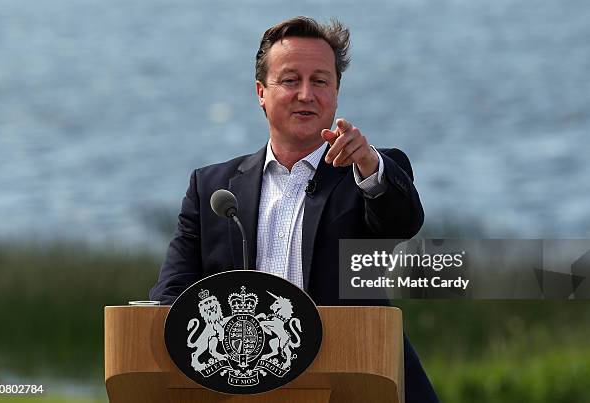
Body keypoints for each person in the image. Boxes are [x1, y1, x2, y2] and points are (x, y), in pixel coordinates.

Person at [150, 16, 438, 402]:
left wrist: (369, 164)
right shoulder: (212, 188)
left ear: (336, 94)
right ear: (261, 92)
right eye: (290, 80)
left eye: (320, 81)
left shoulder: (367, 172)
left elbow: (402, 222)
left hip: (356, 386)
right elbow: (171, 291)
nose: (306, 94)